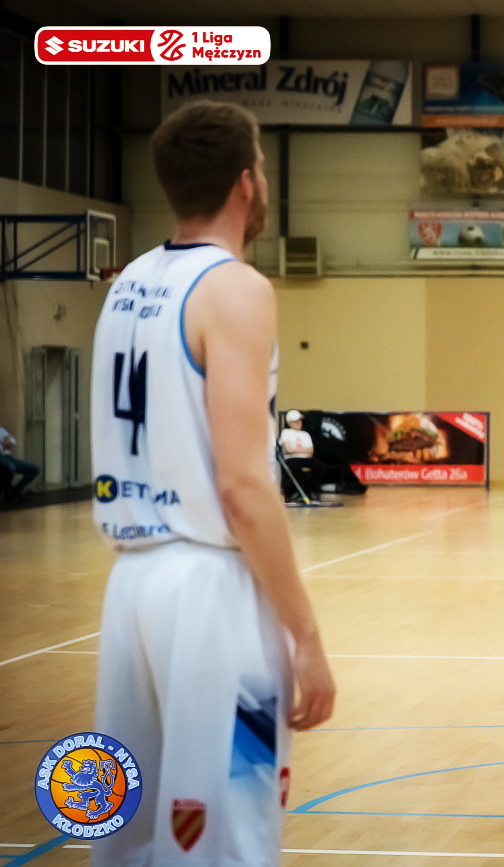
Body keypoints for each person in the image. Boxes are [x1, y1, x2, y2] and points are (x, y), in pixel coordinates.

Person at [90, 101, 335, 865]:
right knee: (225, 838)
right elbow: (243, 486)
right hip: (208, 590)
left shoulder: (129, 280)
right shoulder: (234, 287)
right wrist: (306, 635)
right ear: (246, 182)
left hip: (130, 586)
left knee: (126, 834)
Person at [278, 410, 325, 501]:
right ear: (290, 423)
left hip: (306, 458)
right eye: (296, 421)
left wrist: (296, 450)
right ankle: (296, 493)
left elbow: (310, 451)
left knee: (320, 467)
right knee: (296, 468)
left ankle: (310, 490)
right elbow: (289, 450)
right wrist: (303, 449)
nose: (299, 423)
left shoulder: (305, 434)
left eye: (300, 420)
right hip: (292, 458)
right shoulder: (286, 432)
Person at [0, 426, 39, 502]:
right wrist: (3, 445)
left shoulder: (1, 429)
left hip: (8, 456)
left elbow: (12, 440)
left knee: (34, 469)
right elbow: (4, 444)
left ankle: (16, 490)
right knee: (10, 467)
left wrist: (9, 443)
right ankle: (8, 492)